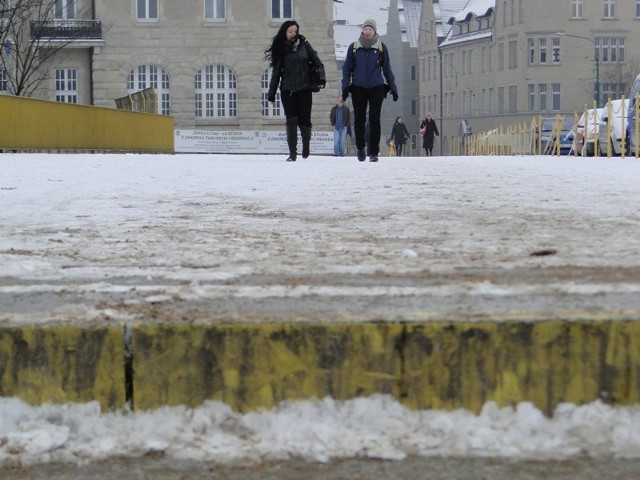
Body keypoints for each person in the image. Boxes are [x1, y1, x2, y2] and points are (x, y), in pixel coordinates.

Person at [266, 20, 326, 162]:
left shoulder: (305, 45)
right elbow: (276, 74)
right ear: (285, 33)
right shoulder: (281, 49)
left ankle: (306, 144)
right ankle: (292, 153)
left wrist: (322, 79)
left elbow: (318, 62)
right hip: (288, 90)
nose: (293, 34)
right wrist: (271, 94)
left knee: (305, 121)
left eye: (295, 31)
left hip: (305, 88)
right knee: (291, 120)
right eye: (290, 31)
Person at [341, 18, 398, 162]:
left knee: (374, 120)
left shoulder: (380, 48)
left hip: (376, 87)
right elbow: (347, 69)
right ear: (362, 30)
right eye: (365, 29)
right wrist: (345, 87)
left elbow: (387, 69)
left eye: (370, 29)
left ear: (374, 31)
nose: (367, 31)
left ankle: (373, 152)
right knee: (359, 120)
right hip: (358, 87)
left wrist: (393, 87)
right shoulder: (354, 48)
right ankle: (360, 148)